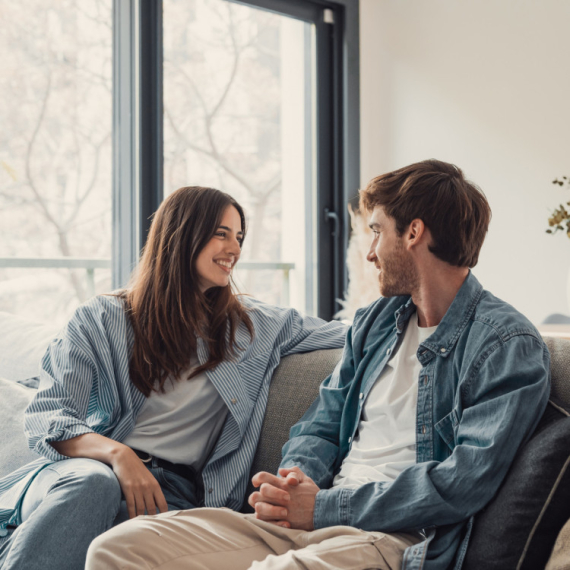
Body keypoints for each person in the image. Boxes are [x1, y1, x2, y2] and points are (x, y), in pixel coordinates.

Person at [85, 160, 551, 570]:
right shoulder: (377, 322)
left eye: (376, 230)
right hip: (308, 521)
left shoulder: (507, 343)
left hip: (393, 538)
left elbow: (463, 482)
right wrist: (295, 482)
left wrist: (326, 509)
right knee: (119, 548)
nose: (370, 252)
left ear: (413, 233)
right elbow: (320, 425)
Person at [0, 186, 347, 570]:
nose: (234, 248)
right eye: (221, 233)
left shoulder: (256, 328)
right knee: (93, 486)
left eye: (239, 237)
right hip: (83, 474)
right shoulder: (101, 318)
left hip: (175, 495)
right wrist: (120, 455)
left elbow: (358, 332)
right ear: (182, 233)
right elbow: (49, 416)